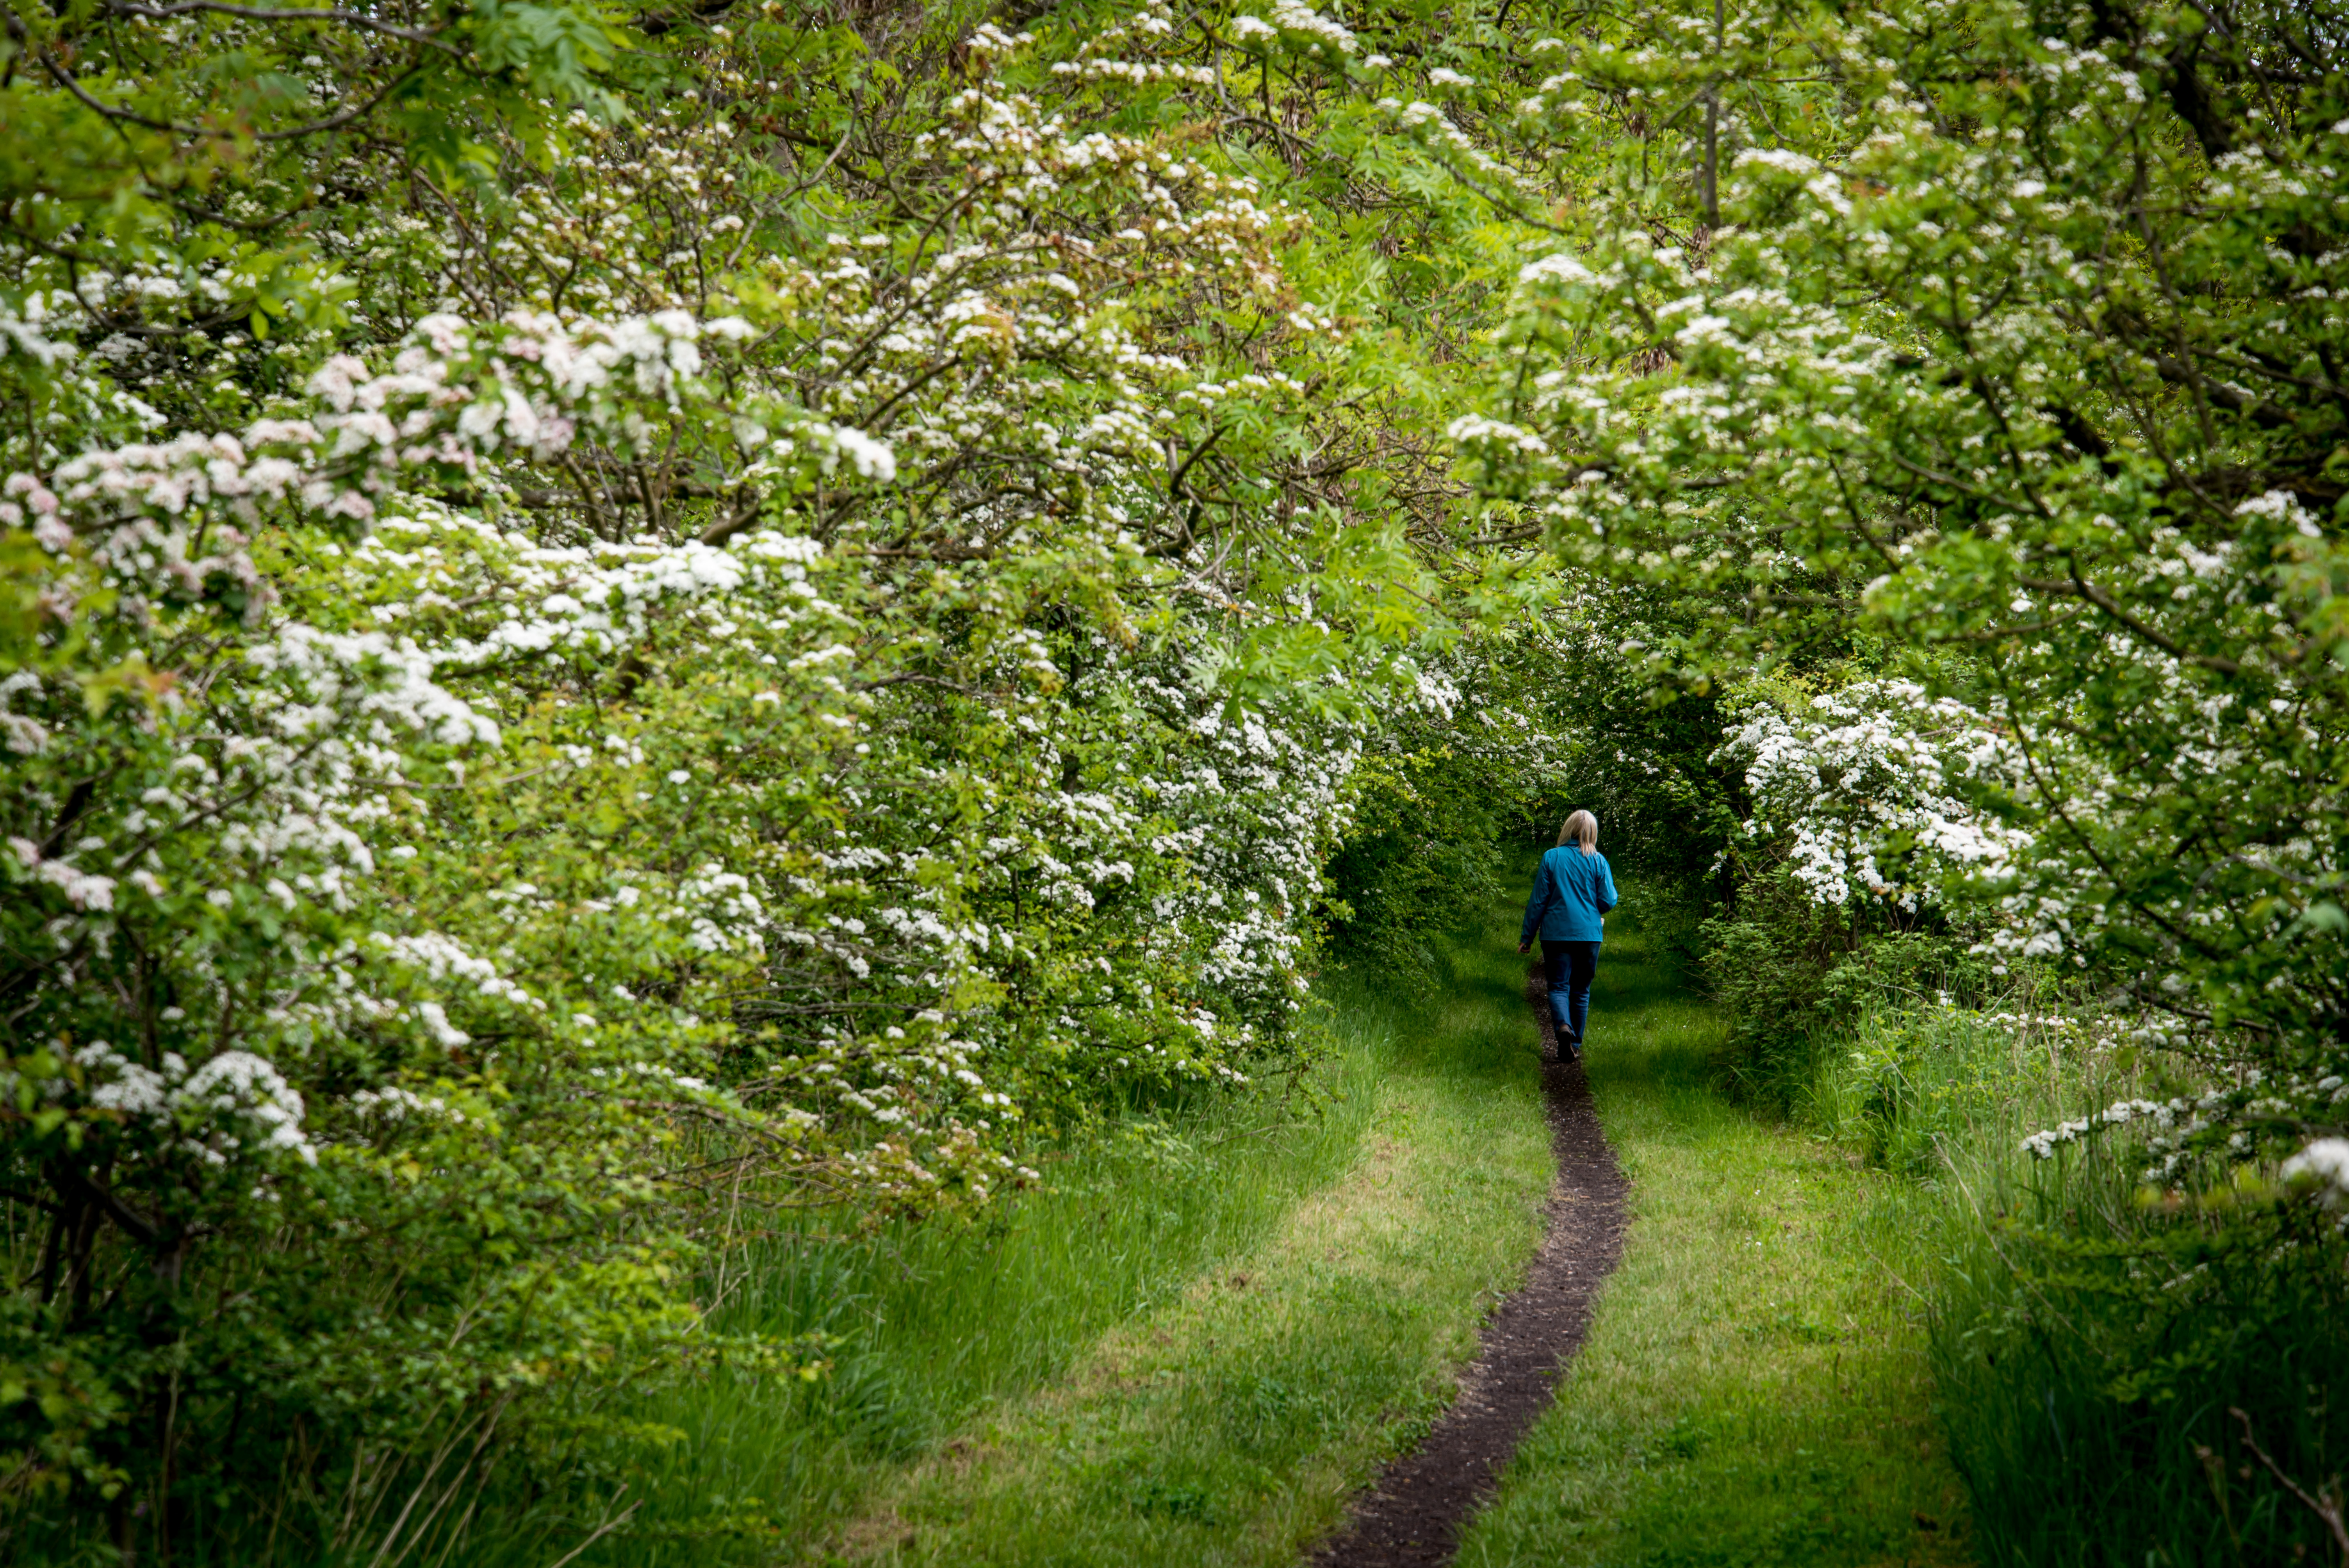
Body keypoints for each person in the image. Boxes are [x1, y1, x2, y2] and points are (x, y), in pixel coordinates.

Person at [1517, 809, 1618, 1062]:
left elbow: (1538, 902)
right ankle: (1574, 1044)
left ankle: (1563, 1026)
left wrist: (1527, 937)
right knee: (1581, 990)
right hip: (1589, 935)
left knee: (1559, 987)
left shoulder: (1552, 857)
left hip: (1556, 934)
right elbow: (1608, 900)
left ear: (1567, 829)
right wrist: (1592, 907)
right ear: (1592, 833)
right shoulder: (1598, 861)